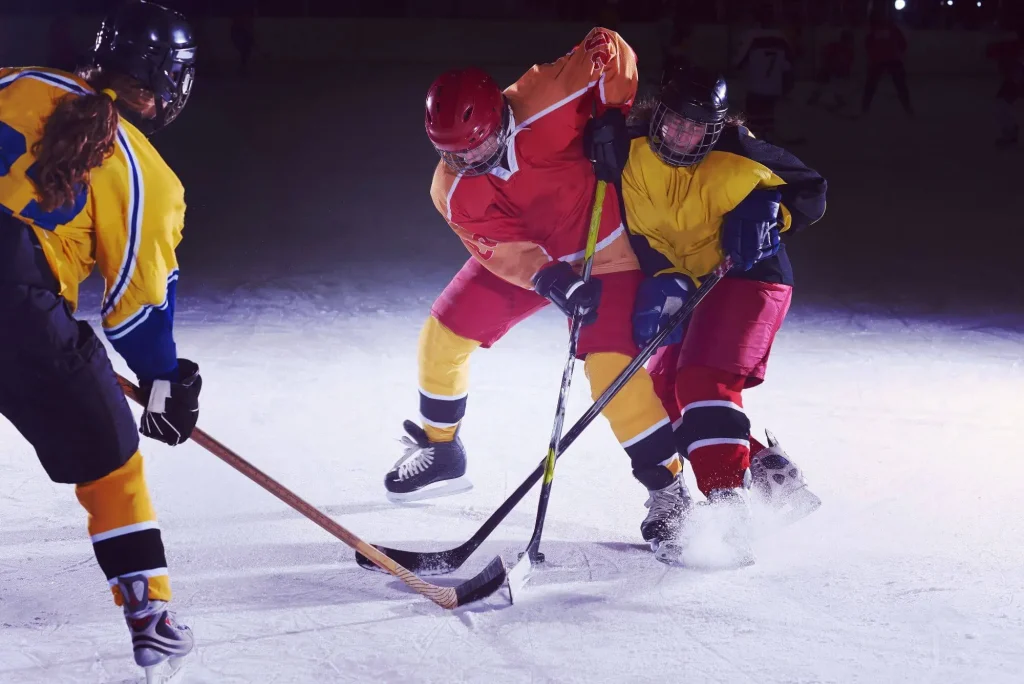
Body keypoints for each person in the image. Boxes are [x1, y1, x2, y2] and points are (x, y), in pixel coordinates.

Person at [385, 28, 695, 556]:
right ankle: (442, 449)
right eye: (454, 153)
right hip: (540, 260)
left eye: (479, 144)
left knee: (609, 373)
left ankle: (669, 491)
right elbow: (499, 250)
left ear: (499, 118)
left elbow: (609, 46)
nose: (471, 160)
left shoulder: (546, 96)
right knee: (443, 335)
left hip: (610, 250)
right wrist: (550, 279)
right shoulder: (451, 189)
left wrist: (612, 113)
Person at [0, 0, 199, 677]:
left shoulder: (15, 79)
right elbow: (137, 315)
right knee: (110, 458)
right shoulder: (145, 172)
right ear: (164, 82)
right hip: (12, 310)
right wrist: (165, 380)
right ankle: (151, 615)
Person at [613, 65, 827, 565]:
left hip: (750, 276)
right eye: (676, 123)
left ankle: (731, 509)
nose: (685, 136)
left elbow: (810, 192)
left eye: (699, 127)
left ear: (716, 127)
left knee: (702, 382)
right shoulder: (627, 151)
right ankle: (769, 473)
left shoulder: (737, 149)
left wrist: (770, 211)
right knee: (662, 393)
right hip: (688, 283)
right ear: (657, 115)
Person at [732, 3, 796, 142]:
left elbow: (738, 62)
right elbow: (789, 64)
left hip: (755, 86)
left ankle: (754, 149)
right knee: (768, 120)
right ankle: (768, 146)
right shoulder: (781, 37)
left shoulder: (751, 36)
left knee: (753, 123)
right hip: (774, 87)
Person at [861, 10, 914, 118]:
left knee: (871, 85)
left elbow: (868, 45)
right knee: (899, 85)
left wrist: (872, 57)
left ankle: (865, 107)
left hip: (882, 60)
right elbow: (903, 44)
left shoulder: (875, 31)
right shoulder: (892, 29)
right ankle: (907, 108)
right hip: (890, 59)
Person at [985, 27, 1024, 148]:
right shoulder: (1011, 50)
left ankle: (1011, 133)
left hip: (1015, 79)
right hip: (1014, 79)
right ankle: (1010, 132)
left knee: (1000, 105)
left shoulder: (1012, 50)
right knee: (1000, 105)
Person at [807, 29, 855, 114]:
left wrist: (846, 74)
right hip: (827, 71)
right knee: (819, 88)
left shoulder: (850, 52)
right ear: (842, 39)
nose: (848, 43)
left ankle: (840, 104)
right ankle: (811, 103)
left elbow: (848, 65)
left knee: (838, 92)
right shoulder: (834, 46)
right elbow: (824, 56)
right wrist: (824, 69)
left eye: (849, 41)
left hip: (838, 74)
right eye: (846, 40)